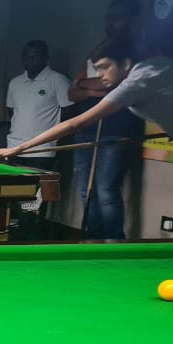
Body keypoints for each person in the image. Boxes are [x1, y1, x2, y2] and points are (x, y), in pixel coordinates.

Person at [0, 38, 172, 160]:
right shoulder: (152, 66)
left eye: (105, 67)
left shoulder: (136, 82)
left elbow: (76, 123)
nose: (100, 75)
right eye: (97, 69)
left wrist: (18, 148)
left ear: (125, 64)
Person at [61, 0, 147, 239]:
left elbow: (111, 84)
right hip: (86, 131)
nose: (111, 23)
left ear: (133, 20)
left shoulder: (138, 52)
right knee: (85, 190)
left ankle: (113, 243)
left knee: (106, 191)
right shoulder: (98, 51)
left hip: (116, 132)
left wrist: (85, 85)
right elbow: (72, 93)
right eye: (109, 17)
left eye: (117, 17)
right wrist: (88, 88)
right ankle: (93, 240)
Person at [5, 40, 75, 172]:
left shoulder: (58, 80)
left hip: (42, 149)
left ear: (45, 58)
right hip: (14, 146)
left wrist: (53, 134)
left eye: (35, 56)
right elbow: (11, 111)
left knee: (37, 185)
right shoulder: (15, 82)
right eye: (27, 57)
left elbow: (69, 111)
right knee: (14, 184)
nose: (30, 60)